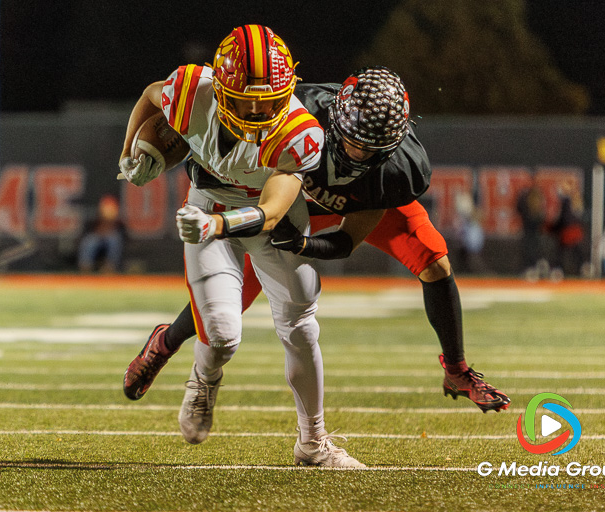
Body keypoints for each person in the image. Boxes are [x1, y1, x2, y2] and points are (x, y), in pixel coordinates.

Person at [124, 67, 511, 416]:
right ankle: (165, 342)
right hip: (288, 194)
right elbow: (222, 135)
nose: (357, 154)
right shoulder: (296, 114)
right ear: (335, 121)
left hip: (357, 201)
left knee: (434, 259)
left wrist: (304, 246)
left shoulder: (392, 173)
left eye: (370, 149)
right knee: (231, 299)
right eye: (352, 141)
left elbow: (345, 241)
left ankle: (457, 370)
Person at [118, 25, 363, 468]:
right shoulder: (194, 90)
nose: (255, 110)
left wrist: (215, 224)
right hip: (209, 204)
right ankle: (203, 378)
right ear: (221, 85)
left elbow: (271, 211)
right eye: (245, 99)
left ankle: (313, 443)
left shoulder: (299, 131)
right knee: (223, 337)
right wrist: (128, 151)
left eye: (266, 99)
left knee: (302, 326)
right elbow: (151, 95)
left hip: (270, 223)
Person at [77, 194, 126, 273]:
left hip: (111, 242)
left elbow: (122, 235)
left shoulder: (119, 222)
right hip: (98, 240)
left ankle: (110, 267)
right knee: (90, 241)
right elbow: (90, 232)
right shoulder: (96, 220)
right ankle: (85, 266)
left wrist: (109, 226)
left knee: (114, 239)